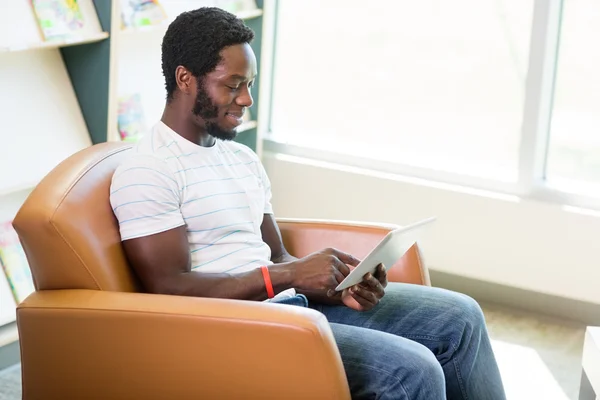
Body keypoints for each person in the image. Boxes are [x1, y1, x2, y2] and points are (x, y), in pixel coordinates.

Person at [109, 7, 507, 400]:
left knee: (461, 316)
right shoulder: (148, 170)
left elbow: (277, 256)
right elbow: (169, 288)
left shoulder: (241, 159)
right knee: (412, 370)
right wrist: (287, 276)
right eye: (232, 85)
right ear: (185, 79)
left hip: (289, 307)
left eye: (249, 83)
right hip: (235, 329)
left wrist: (337, 287)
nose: (246, 99)